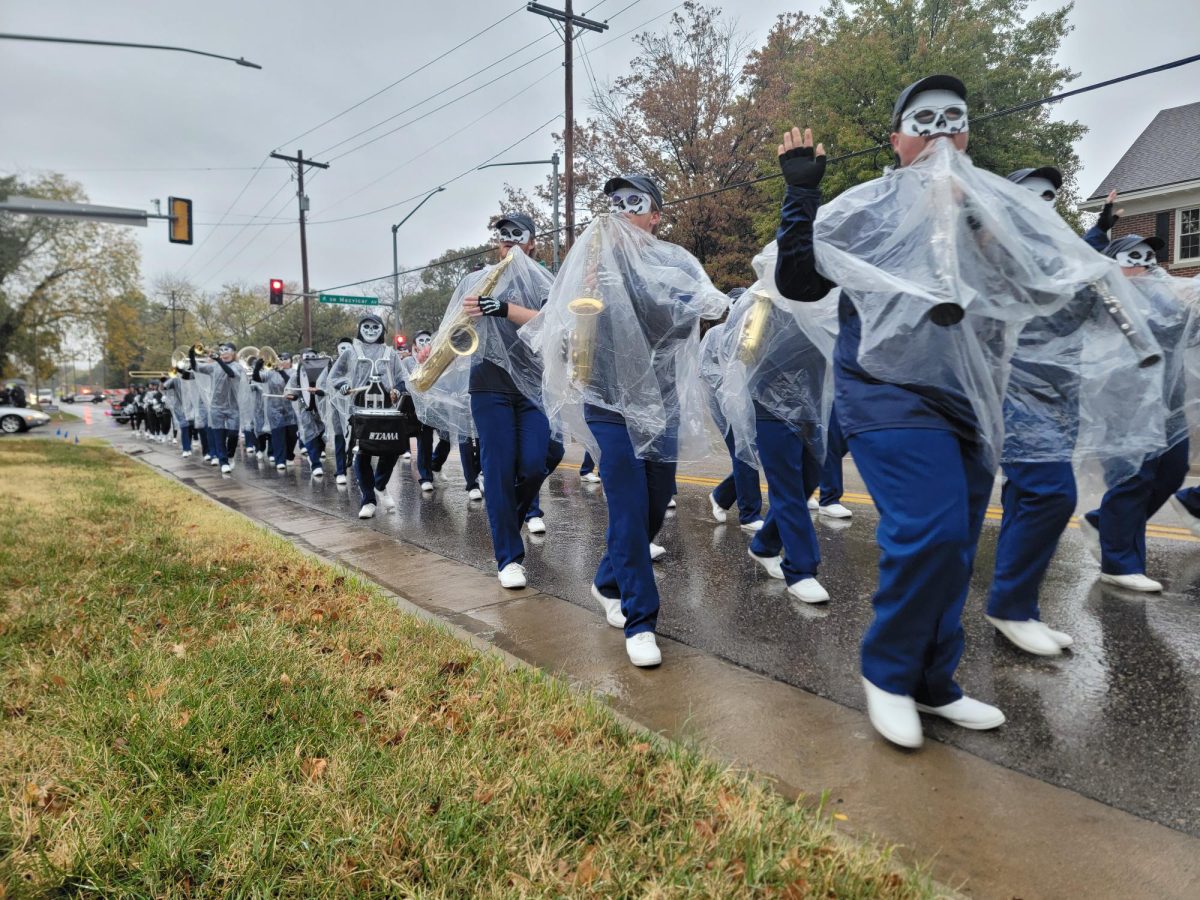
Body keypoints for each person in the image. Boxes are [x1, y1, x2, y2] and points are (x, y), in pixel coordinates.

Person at [773, 76, 1111, 748]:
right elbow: (800, 280)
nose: (939, 132)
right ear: (896, 140)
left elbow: (1040, 290)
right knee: (925, 531)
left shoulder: (990, 207)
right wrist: (801, 196)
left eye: (952, 121)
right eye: (921, 121)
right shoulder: (865, 209)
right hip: (886, 390)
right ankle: (888, 674)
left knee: (955, 547)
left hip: (969, 397)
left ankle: (933, 683)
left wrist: (981, 220)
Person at [535, 174, 727, 666]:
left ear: (656, 214)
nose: (622, 210)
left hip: (659, 402)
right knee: (626, 502)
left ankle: (606, 581)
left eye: (633, 202)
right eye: (615, 203)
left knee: (655, 502)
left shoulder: (675, 260)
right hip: (608, 405)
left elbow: (702, 306)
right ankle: (641, 620)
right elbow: (558, 334)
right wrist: (582, 304)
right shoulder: (591, 266)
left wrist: (702, 301)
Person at [418, 212, 557, 586]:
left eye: (517, 233)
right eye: (502, 234)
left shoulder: (546, 280)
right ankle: (508, 558)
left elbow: (550, 324)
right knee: (497, 468)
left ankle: (507, 520)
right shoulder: (474, 280)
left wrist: (503, 308)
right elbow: (452, 327)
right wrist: (430, 352)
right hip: (488, 386)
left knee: (534, 463)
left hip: (532, 388)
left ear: (531, 241)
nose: (509, 239)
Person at [716, 250, 835, 605]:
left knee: (807, 481)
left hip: (812, 403)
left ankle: (765, 544)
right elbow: (742, 353)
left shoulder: (825, 297)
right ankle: (801, 568)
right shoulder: (762, 299)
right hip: (770, 404)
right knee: (788, 489)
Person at [1080, 236, 1197, 591]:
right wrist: (1099, 235)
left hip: (1167, 408)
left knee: (1173, 473)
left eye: (1149, 257)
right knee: (1134, 480)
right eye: (1134, 257)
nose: (1145, 263)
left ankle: (1104, 522)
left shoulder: (1165, 299)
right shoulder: (1103, 299)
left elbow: (1187, 335)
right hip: (1122, 408)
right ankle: (1119, 563)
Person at [329, 314, 407, 518]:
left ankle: (380, 485)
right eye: (367, 326)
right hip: (359, 411)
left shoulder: (390, 353)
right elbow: (335, 376)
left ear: (382, 330)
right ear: (359, 328)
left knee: (390, 450)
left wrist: (398, 390)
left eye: (375, 327)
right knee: (362, 452)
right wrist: (343, 385)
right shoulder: (351, 352)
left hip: (387, 411)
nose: (371, 330)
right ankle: (368, 500)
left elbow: (402, 379)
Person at [701, 288, 765, 532]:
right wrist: (729, 386)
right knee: (744, 454)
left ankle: (721, 496)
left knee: (751, 455)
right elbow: (704, 368)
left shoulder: (754, 335)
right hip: (726, 406)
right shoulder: (717, 334)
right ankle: (749, 513)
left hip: (749, 404)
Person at [190, 343, 243, 474]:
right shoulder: (213, 366)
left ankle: (230, 455)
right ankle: (223, 461)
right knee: (218, 435)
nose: (223, 352)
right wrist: (191, 355)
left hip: (233, 406)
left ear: (233, 352)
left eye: (227, 350)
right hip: (216, 406)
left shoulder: (238, 366)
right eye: (221, 350)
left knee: (233, 435)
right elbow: (195, 367)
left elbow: (231, 374)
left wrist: (219, 360)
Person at [286, 348, 329, 478]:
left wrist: (321, 392)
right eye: (306, 356)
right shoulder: (297, 375)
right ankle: (315, 464)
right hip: (305, 409)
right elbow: (292, 391)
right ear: (301, 358)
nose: (309, 358)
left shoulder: (324, 373)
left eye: (312, 356)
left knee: (322, 437)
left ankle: (315, 454)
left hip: (322, 410)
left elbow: (329, 388)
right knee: (310, 436)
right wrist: (292, 396)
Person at [251, 352, 297, 471]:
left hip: (291, 408)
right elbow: (257, 378)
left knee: (292, 435)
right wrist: (257, 366)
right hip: (274, 407)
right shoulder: (270, 373)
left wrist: (281, 371)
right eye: (280, 358)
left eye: (285, 359)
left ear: (290, 361)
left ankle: (289, 455)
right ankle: (280, 460)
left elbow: (291, 383)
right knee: (278, 434)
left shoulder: (294, 372)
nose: (281, 360)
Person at [318, 337, 355, 484]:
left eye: (348, 348)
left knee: (355, 440)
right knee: (339, 438)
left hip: (353, 407)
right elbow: (324, 383)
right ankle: (340, 471)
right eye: (342, 348)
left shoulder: (357, 363)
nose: (345, 351)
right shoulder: (330, 366)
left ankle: (352, 464)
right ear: (337, 350)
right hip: (336, 408)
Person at [161, 368, 195, 457]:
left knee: (190, 428)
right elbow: (163, 387)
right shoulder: (175, 380)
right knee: (184, 426)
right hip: (179, 407)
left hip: (192, 407)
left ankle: (189, 446)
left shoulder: (192, 378)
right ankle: (186, 449)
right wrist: (163, 380)